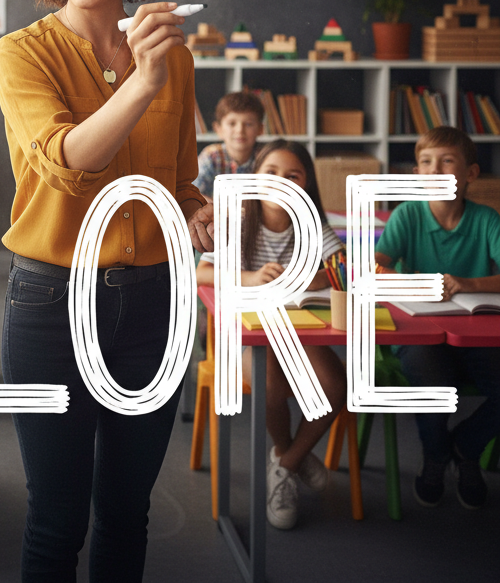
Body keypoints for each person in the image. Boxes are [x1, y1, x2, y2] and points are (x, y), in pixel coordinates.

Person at [0, 0, 210, 582]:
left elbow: (178, 182)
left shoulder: (172, 55)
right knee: (57, 520)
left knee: (126, 512)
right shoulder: (20, 53)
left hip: (155, 304)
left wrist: (197, 209)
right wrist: (141, 84)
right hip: (53, 303)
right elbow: (65, 165)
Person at [196, 138, 346, 529]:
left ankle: (285, 462)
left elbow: (341, 268)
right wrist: (248, 277)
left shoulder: (311, 222)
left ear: (306, 185)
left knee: (335, 385)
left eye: (292, 175)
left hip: (298, 329)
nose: (281, 182)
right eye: (271, 173)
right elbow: (202, 271)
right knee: (270, 383)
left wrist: (315, 277)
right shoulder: (238, 217)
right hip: (244, 335)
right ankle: (290, 456)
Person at [375, 126, 500, 510]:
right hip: (420, 332)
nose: (434, 170)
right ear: (416, 174)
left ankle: (465, 446)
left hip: (477, 332)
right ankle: (435, 455)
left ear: (470, 175)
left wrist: (466, 283)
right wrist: (409, 283)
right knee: (429, 382)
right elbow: (376, 266)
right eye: (425, 163)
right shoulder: (407, 215)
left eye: (447, 162)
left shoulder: (486, 219)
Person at [194, 90, 265, 197]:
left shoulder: (266, 157)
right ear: (218, 129)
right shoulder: (211, 157)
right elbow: (195, 194)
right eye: (232, 124)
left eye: (249, 124)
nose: (240, 130)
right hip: (217, 212)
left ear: (260, 129)